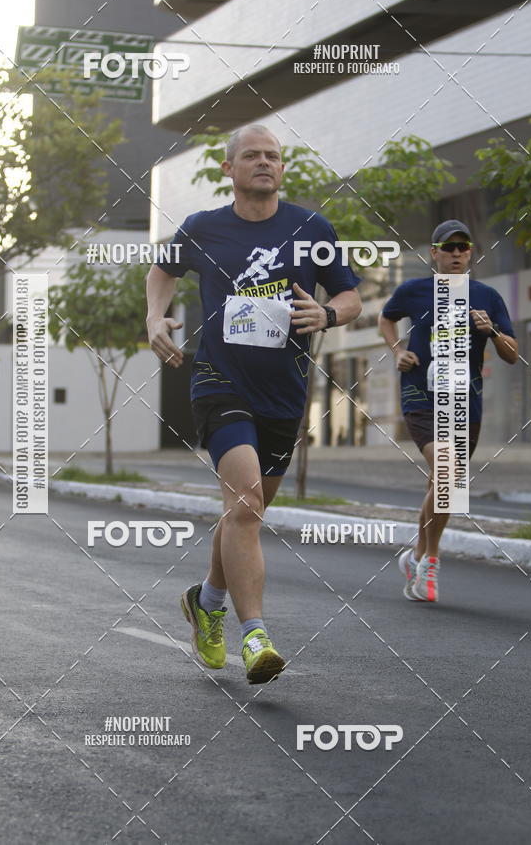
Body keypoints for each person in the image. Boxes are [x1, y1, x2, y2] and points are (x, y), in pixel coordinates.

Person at [146, 124, 361, 682]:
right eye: (252, 156)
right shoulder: (203, 228)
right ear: (229, 169)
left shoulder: (312, 228)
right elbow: (162, 271)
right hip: (219, 384)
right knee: (244, 506)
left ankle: (206, 601)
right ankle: (256, 637)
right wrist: (154, 317)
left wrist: (329, 314)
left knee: (244, 512)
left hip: (284, 396)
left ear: (282, 167)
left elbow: (351, 295)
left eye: (273, 156)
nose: (264, 163)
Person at [378, 219, 518, 603]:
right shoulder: (413, 291)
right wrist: (397, 351)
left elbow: (512, 354)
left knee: (442, 484)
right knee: (448, 473)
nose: (457, 254)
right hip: (421, 395)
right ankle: (430, 564)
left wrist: (491, 332)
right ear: (434, 253)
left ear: (471, 252)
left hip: (464, 399)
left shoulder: (487, 296)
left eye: (463, 248)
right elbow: (385, 318)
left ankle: (417, 555)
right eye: (449, 248)